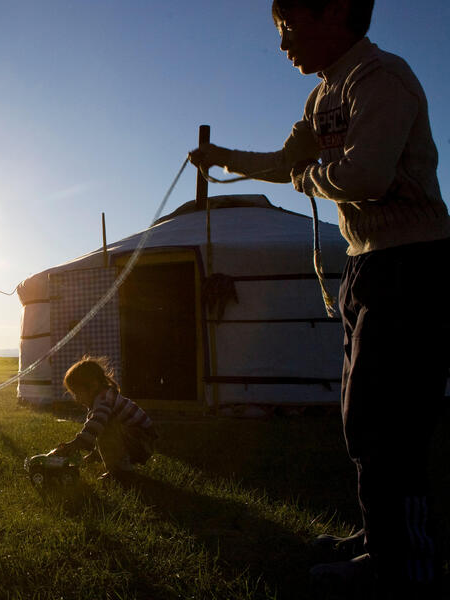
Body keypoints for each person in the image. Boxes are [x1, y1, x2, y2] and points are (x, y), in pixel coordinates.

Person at [189, 0, 449, 595]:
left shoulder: (381, 78)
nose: (283, 44)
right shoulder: (321, 96)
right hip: (365, 265)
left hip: (412, 264)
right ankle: (380, 535)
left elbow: (365, 176)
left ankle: (404, 566)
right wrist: (222, 157)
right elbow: (287, 163)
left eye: (290, 27)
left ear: (333, 12)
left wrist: (310, 178)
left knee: (390, 421)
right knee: (363, 417)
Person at [50, 357, 158, 478]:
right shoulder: (102, 397)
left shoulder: (104, 400)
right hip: (139, 438)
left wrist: (78, 443)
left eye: (77, 392)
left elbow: (95, 426)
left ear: (93, 386)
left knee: (104, 427)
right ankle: (101, 455)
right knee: (103, 426)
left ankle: (120, 471)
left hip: (142, 442)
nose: (76, 398)